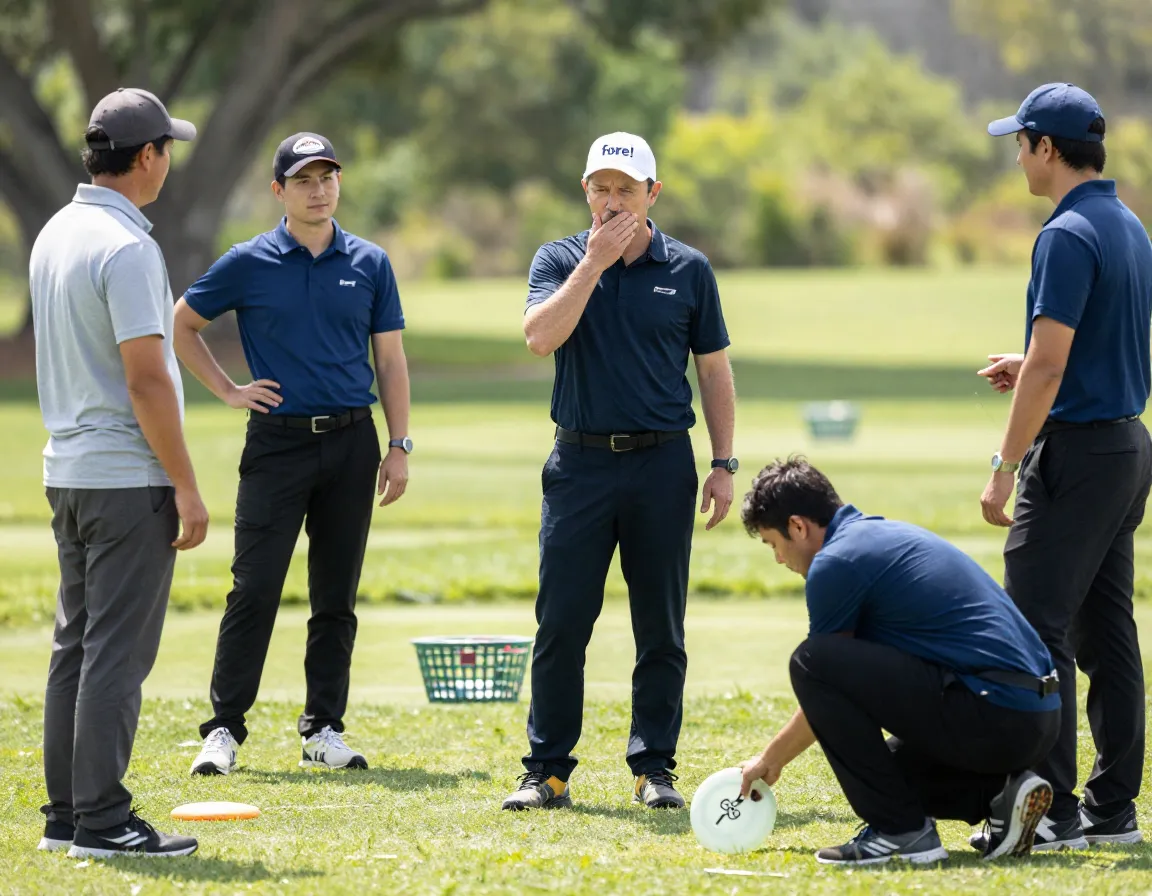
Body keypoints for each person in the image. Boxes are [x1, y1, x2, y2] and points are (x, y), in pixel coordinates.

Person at [501, 132, 738, 812]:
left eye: (626, 190)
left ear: (652, 194)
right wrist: (594, 264)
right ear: (585, 191)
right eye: (601, 188)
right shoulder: (558, 259)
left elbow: (713, 370)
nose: (612, 201)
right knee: (561, 622)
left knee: (660, 626)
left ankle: (653, 768)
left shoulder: (688, 269)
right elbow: (540, 337)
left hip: (663, 463)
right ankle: (547, 772)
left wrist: (723, 462)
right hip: (578, 464)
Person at [173, 132, 411, 775]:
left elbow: (390, 361)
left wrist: (399, 445)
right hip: (276, 445)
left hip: (353, 443)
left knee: (335, 595)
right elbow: (183, 324)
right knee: (254, 588)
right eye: (304, 180)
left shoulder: (370, 262)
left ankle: (324, 729)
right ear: (279, 190)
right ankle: (224, 729)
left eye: (327, 177)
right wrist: (228, 390)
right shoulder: (248, 261)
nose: (318, 190)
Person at [29, 87, 205, 858]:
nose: (169, 162)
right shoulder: (127, 247)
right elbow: (147, 380)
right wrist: (187, 486)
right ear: (148, 157)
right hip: (126, 479)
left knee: (75, 647)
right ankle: (102, 821)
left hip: (68, 471)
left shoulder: (56, 231)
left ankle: (67, 817)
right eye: (168, 149)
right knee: (115, 655)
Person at [735, 458, 1061, 865]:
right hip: (1037, 719)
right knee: (888, 773)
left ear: (798, 527)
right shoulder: (882, 534)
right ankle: (1001, 795)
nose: (779, 559)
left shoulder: (835, 562)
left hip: (995, 712)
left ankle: (901, 833)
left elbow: (824, 678)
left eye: (773, 544)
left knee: (810, 662)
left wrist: (769, 760)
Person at [979, 83, 1152, 849]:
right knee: (1107, 630)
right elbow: (1096, 344)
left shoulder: (1066, 233)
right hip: (1126, 447)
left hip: (1077, 455)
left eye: (1020, 144)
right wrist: (1036, 368)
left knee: (1034, 626)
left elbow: (1051, 367)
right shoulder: (1127, 224)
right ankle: (1112, 808)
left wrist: (1004, 464)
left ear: (1046, 147)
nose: (1017, 157)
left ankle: (1051, 810)